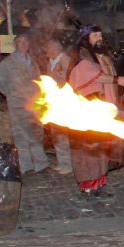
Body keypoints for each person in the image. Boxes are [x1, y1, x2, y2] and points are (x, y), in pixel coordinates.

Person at [68, 25, 124, 195]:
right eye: (95, 35)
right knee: (89, 149)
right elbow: (90, 76)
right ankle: (88, 185)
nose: (99, 38)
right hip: (88, 110)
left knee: (101, 148)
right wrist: (117, 79)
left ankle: (99, 182)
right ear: (86, 38)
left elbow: (111, 73)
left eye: (100, 34)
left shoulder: (102, 56)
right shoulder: (83, 56)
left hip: (103, 109)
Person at [0, 32, 50, 176]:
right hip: (17, 106)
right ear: (15, 45)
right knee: (21, 136)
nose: (23, 44)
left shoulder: (33, 62)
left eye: (25, 42)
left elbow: (38, 81)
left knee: (36, 134)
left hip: (34, 105)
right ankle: (26, 167)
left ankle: (41, 165)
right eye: (20, 42)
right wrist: (11, 95)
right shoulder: (7, 63)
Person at [43, 38, 73, 174]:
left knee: (63, 134)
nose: (46, 51)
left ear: (55, 48)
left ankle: (68, 164)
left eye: (48, 48)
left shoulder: (65, 60)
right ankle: (62, 162)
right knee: (56, 133)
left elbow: (69, 80)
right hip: (53, 101)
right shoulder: (50, 62)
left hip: (64, 102)